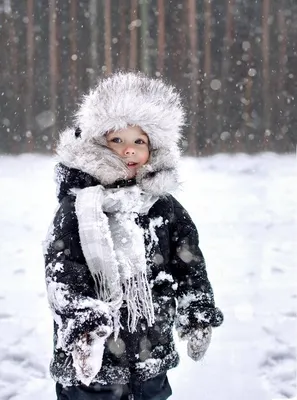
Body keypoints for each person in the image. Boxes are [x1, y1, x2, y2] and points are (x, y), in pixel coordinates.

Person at [43, 71, 223, 400]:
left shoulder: (164, 207)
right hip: (93, 359)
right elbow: (62, 270)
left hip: (149, 350)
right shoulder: (79, 207)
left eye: (138, 141)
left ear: (153, 148)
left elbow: (188, 261)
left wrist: (195, 307)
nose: (128, 150)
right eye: (118, 140)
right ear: (98, 143)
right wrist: (85, 325)